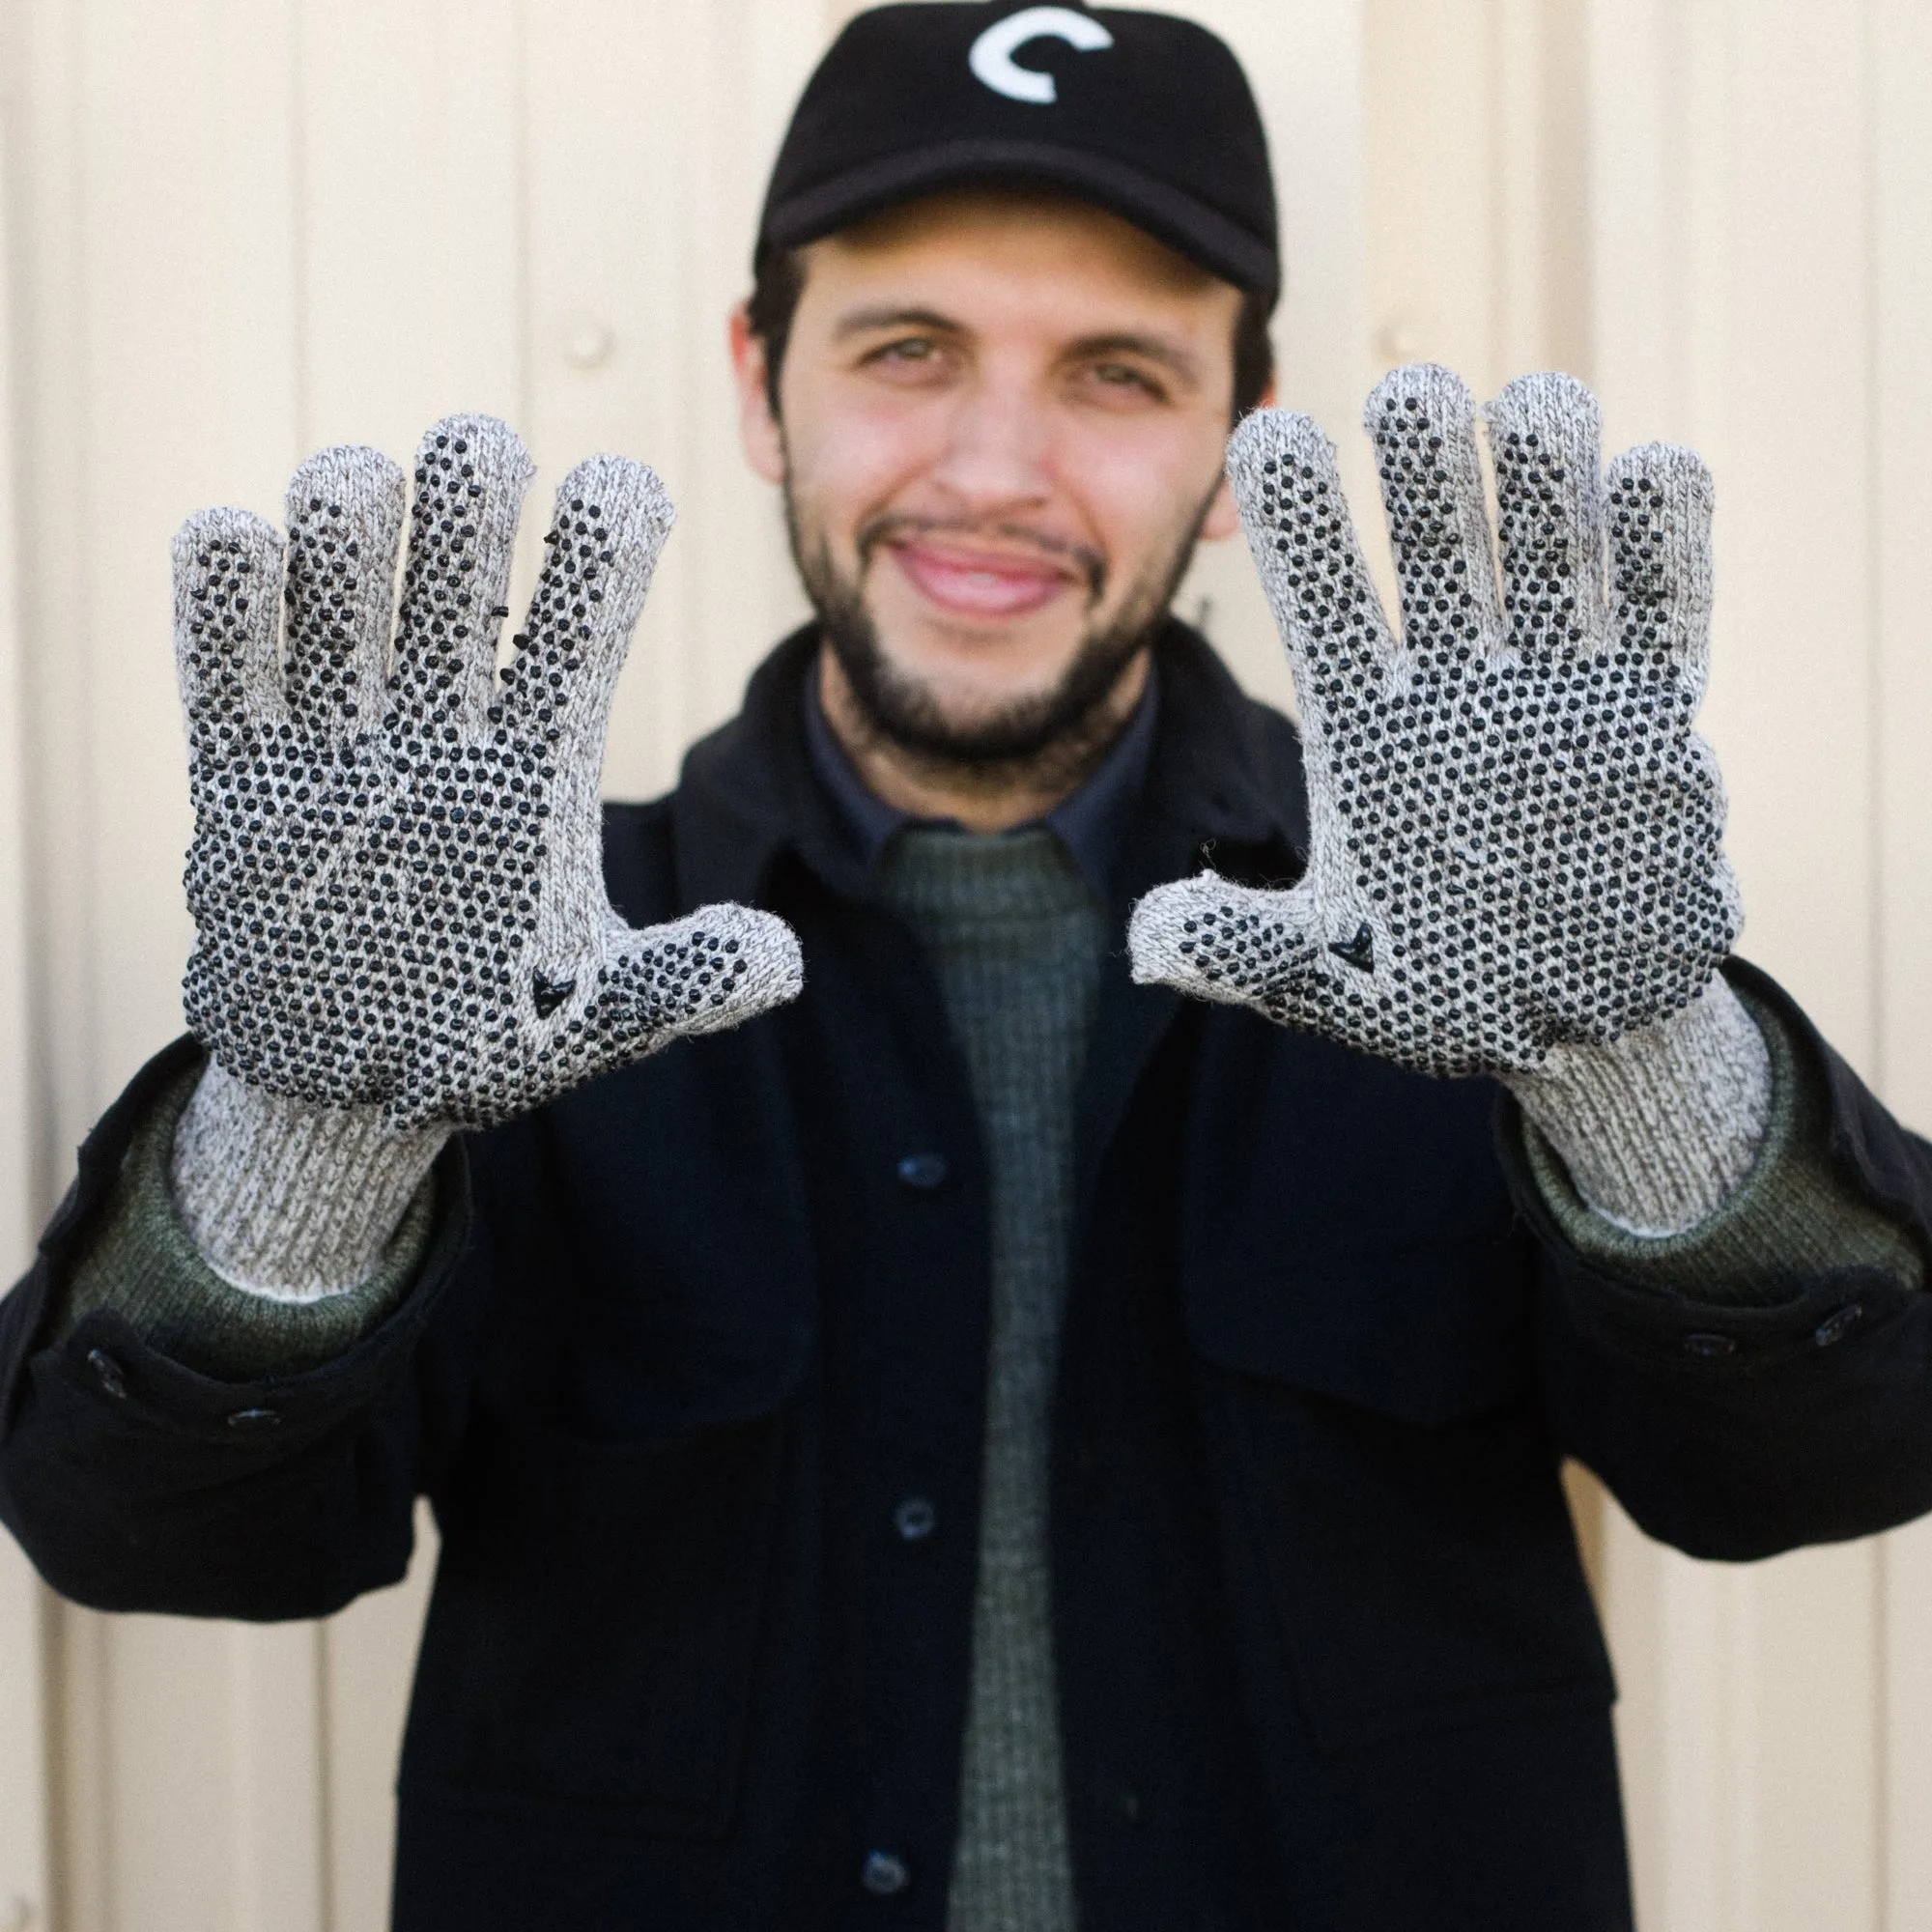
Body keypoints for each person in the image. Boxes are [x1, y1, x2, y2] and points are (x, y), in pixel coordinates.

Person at [3, 3, 1931, 1926]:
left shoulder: (1472, 921)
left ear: (1240, 435)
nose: (996, 467)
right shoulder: (500, 967)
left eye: (1113, 371)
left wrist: (1634, 1066)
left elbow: (1822, 1466)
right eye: (907, 351)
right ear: (762, 382)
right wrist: (311, 1134)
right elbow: (155, 1535)